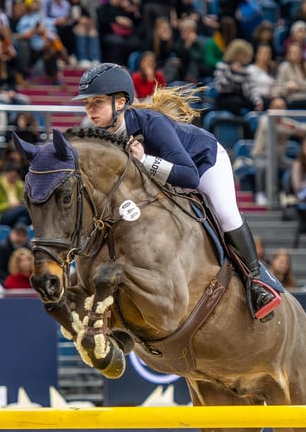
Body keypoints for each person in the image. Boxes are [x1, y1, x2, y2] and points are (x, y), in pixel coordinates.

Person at [73, 62, 280, 320]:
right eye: (87, 103)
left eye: (97, 102)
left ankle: (256, 284)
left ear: (120, 102)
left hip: (203, 163)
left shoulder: (152, 123)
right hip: (157, 181)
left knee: (226, 214)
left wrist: (144, 160)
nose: (90, 110)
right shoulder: (96, 135)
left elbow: (189, 176)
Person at [251, 96, 306, 206]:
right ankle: (260, 193)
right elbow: (274, 129)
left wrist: (295, 128)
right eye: (276, 107)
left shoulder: (286, 122)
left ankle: (292, 194)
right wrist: (292, 129)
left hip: (279, 158)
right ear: (271, 108)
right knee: (264, 166)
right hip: (262, 156)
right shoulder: (265, 120)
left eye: (281, 107)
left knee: (296, 165)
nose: (278, 110)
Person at [212, 38, 263, 113]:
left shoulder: (245, 70)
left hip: (241, 97)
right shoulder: (222, 66)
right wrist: (231, 72)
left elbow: (251, 88)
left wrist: (257, 101)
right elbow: (221, 86)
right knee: (236, 102)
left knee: (255, 105)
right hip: (225, 97)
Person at [0, 160, 30, 227]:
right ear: (5, 173)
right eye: (12, 176)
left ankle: (17, 235)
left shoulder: (20, 185)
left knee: (22, 219)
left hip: (17, 214)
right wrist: (8, 206)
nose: (14, 179)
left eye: (16, 177)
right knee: (25, 209)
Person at [275, 42, 306, 109]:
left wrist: (298, 87)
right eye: (293, 53)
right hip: (292, 99)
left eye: (298, 52)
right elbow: (279, 88)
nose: (296, 55)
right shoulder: (284, 67)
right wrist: (287, 86)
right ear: (288, 54)